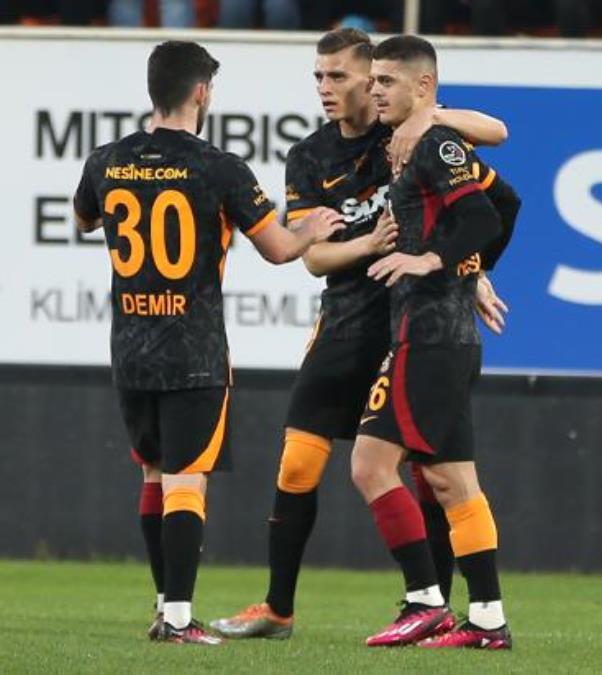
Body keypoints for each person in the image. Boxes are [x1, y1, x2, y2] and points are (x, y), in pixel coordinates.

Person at [207, 27, 511, 640]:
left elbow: (495, 151)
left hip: (410, 320)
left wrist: (468, 269)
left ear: (372, 80)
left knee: (428, 470)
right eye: (318, 76)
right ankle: (279, 607)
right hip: (348, 320)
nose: (326, 87)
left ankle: (430, 602)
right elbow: (315, 259)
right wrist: (371, 243)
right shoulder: (310, 156)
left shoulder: (408, 130)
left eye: (339, 76)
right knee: (300, 461)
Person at [72, 40, 344, 644]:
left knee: (154, 475)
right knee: (186, 480)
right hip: (193, 352)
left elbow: (84, 219)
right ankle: (177, 617)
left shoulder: (105, 161)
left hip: (130, 346)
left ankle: (163, 604)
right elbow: (279, 249)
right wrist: (312, 228)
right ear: (201, 92)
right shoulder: (218, 166)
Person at [350, 34, 521, 650]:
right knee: (452, 482)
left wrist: (435, 261)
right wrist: (472, 271)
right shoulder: (419, 141)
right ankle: (488, 621)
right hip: (443, 334)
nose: (374, 90)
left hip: (429, 336)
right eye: (373, 81)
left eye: (386, 81)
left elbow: (484, 216)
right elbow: (506, 199)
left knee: (370, 465)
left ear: (423, 86)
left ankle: (425, 601)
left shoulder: (434, 142)